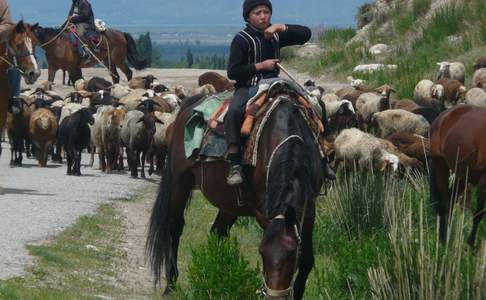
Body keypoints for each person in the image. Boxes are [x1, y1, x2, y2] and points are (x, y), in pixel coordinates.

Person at [224, 0, 312, 185]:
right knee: (233, 113)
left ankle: (322, 153)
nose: (263, 16)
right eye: (258, 13)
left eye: (266, 12)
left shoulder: (276, 35)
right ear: (248, 16)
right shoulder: (241, 39)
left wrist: (281, 27)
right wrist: (260, 66)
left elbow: (306, 34)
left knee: (312, 103)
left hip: (275, 84)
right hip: (248, 86)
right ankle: (234, 163)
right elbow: (233, 71)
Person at [0, 0, 20, 104]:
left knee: (13, 64)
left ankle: (14, 99)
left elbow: (7, 23)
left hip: (0, 42)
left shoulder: (1, 3)